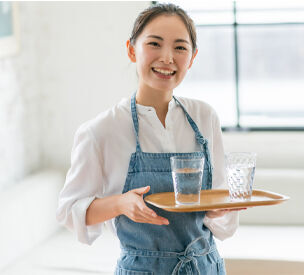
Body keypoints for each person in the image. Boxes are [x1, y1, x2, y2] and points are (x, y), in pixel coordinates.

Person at [56, 3, 246, 274]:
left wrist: (219, 211)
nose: (167, 57)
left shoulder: (205, 118)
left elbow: (221, 216)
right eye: (155, 44)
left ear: (192, 58)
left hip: (206, 266)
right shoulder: (100, 131)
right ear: (132, 50)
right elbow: (68, 212)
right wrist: (120, 204)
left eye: (180, 47)